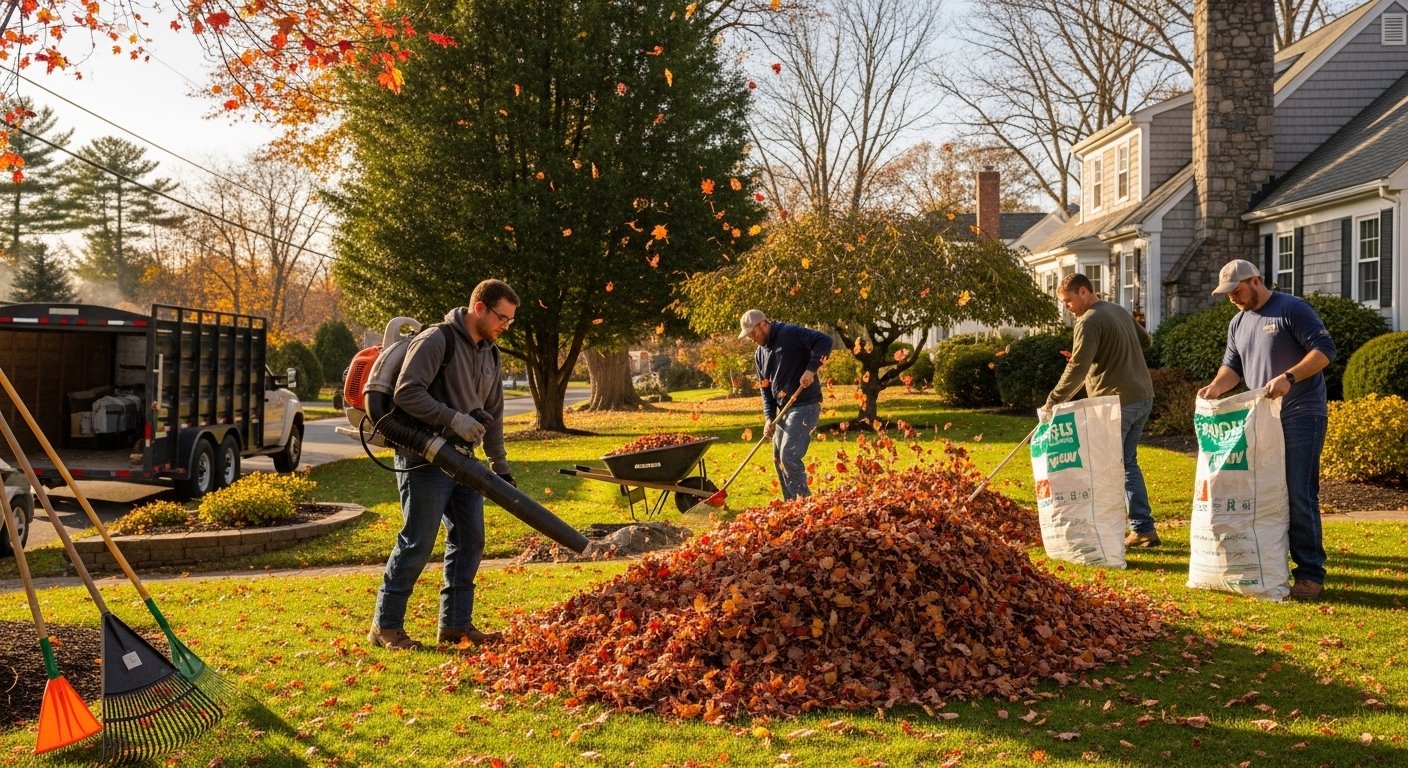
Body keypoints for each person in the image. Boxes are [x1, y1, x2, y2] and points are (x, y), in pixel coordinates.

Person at [368, 279, 519, 650]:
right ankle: (385, 626)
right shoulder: (437, 340)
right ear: (479, 308)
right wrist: (453, 419)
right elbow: (406, 393)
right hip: (425, 457)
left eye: (510, 321)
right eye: (502, 317)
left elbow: (494, 413)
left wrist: (499, 463)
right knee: (418, 541)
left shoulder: (491, 353)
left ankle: (455, 625)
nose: (505, 326)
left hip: (464, 461)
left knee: (470, 540)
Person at [1196, 259, 1336, 601]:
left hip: (1302, 414)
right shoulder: (1237, 323)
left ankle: (1310, 573)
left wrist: (1289, 377)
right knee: (1264, 493)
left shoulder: (1292, 309)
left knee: (1299, 491)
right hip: (1262, 421)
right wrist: (1215, 388)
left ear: (1255, 280)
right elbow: (1232, 367)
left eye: (1237, 291)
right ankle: (1270, 564)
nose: (1233, 298)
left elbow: (1325, 352)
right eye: (1228, 294)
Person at [1043, 272, 1158, 547]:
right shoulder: (1117, 310)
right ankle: (1143, 528)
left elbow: (1078, 369)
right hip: (1143, 395)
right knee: (1127, 463)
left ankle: (1105, 530)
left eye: (1068, 301)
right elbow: (1146, 341)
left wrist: (1054, 399)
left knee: (1107, 468)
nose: (1067, 308)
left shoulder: (1089, 320)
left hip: (1117, 403)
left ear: (1083, 292)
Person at [739, 309, 833, 500]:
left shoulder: (789, 333)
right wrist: (769, 418)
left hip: (805, 403)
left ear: (763, 324)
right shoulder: (760, 354)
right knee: (777, 458)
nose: (751, 338)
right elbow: (765, 390)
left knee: (788, 456)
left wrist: (811, 369)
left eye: (752, 333)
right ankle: (791, 505)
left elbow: (825, 341)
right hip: (784, 409)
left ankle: (805, 506)